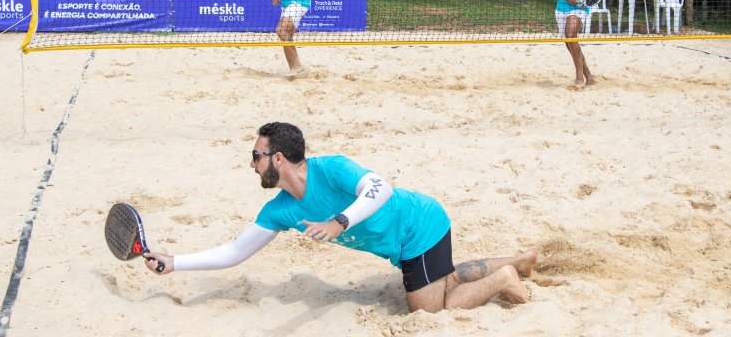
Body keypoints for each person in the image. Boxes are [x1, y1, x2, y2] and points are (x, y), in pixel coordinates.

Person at [142, 122, 537, 313]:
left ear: (278, 158)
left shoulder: (329, 168)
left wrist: (339, 222)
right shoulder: (279, 209)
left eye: (256, 156)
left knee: (430, 311)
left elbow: (380, 187)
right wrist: (175, 263)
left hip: (419, 226)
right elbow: (234, 252)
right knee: (444, 280)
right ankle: (518, 261)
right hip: (405, 242)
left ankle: (504, 278)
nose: (252, 164)